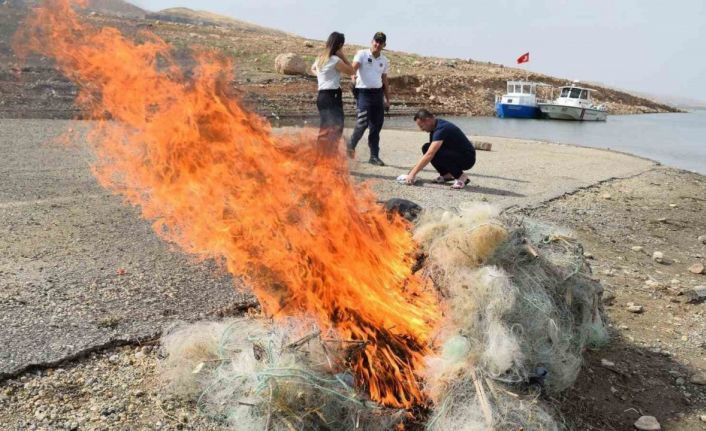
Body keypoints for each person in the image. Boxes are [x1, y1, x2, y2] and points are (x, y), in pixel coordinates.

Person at [400, 109, 476, 189]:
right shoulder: (435, 127)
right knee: (426, 147)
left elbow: (430, 154)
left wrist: (412, 174)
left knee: (434, 152)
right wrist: (411, 173)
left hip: (467, 158)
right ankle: (447, 174)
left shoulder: (441, 129)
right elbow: (429, 152)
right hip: (456, 153)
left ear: (428, 120)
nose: (421, 129)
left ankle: (462, 177)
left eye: (421, 126)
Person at [347, 31, 390, 166]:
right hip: (363, 93)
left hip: (378, 94)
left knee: (376, 126)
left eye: (380, 42)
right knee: (362, 123)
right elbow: (353, 69)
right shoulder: (362, 54)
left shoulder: (384, 60)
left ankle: (374, 156)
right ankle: (350, 146)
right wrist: (353, 78)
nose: (377, 44)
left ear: (384, 44)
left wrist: (387, 99)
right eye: (376, 41)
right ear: (372, 41)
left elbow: (385, 80)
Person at [311, 32, 355, 155]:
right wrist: (343, 56)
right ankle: (330, 156)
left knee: (325, 127)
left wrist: (321, 77)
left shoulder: (320, 58)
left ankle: (320, 156)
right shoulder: (335, 60)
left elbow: (312, 69)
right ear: (340, 45)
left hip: (321, 96)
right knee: (337, 127)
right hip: (332, 96)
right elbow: (352, 71)